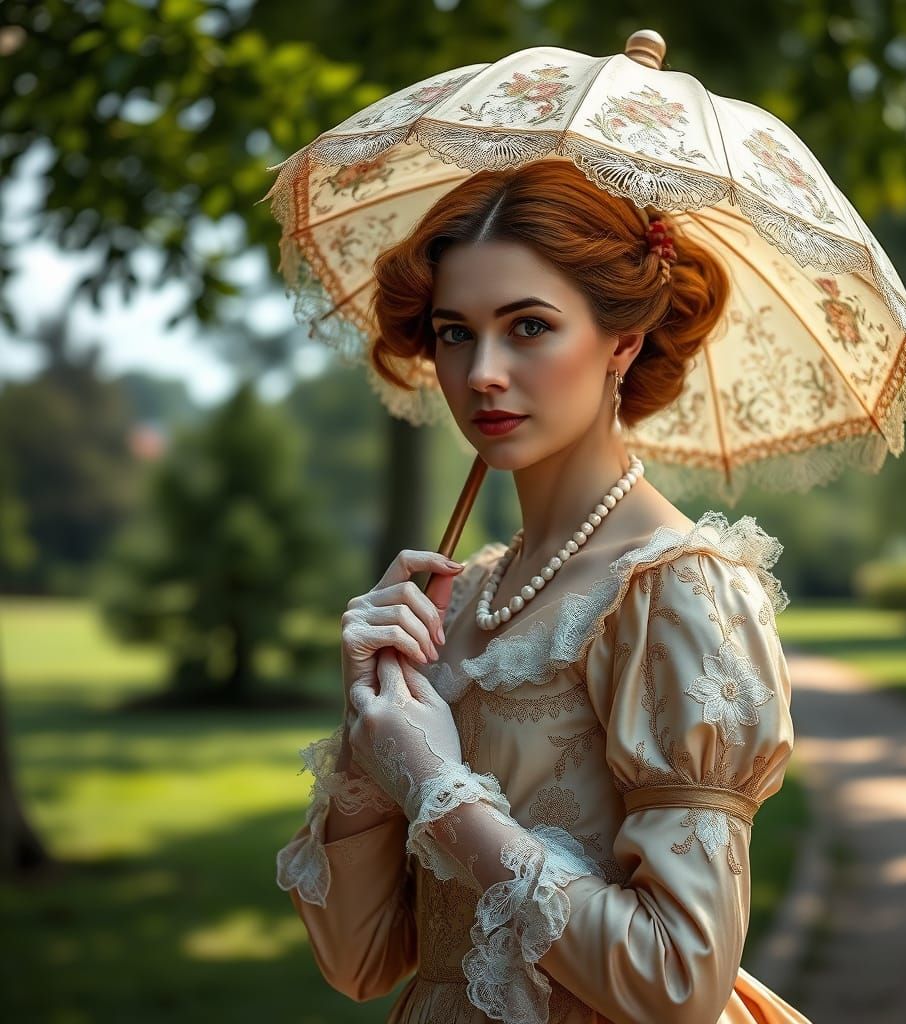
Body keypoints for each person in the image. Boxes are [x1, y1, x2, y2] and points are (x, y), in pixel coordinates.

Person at [275, 158, 814, 1024]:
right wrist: (370, 739)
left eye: (528, 326)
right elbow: (360, 959)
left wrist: (439, 785)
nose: (483, 372)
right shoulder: (462, 598)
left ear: (623, 342)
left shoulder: (679, 593)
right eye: (455, 333)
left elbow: (678, 983)